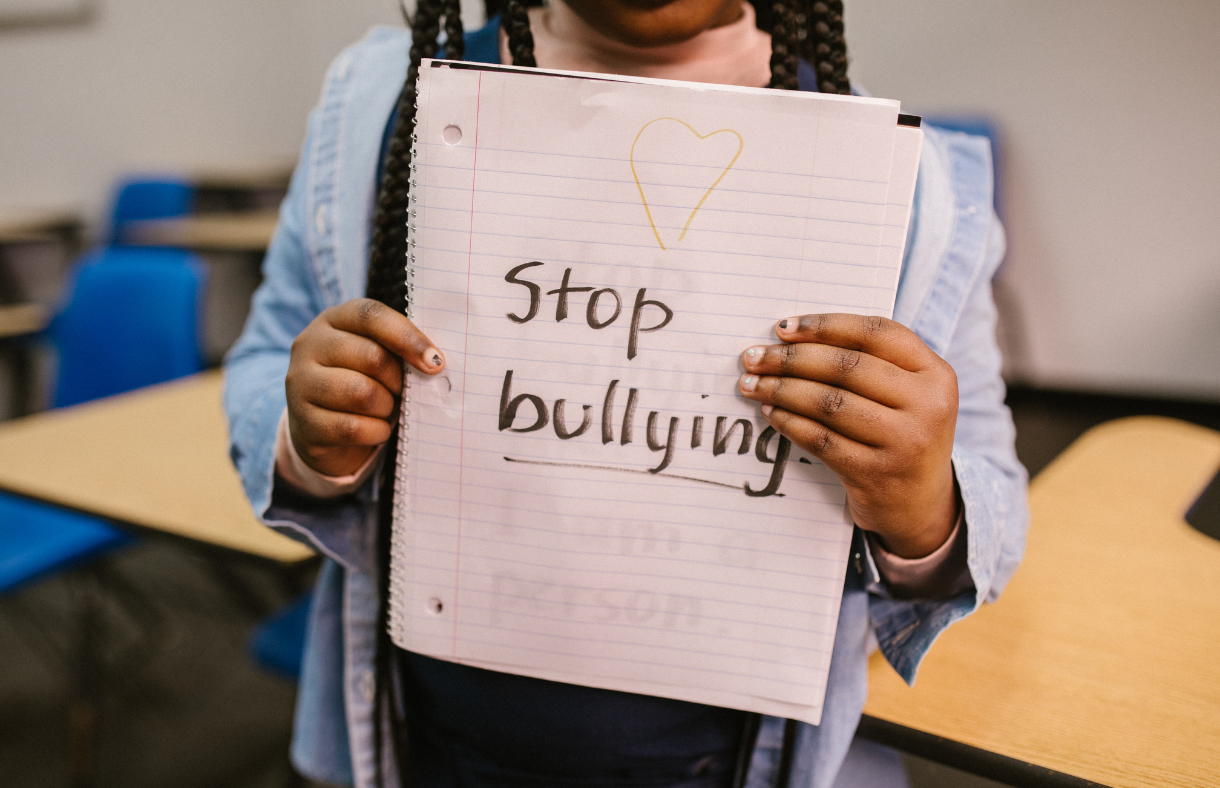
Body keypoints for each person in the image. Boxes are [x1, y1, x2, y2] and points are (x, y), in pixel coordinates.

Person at [224, 1, 1028, 786]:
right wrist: (310, 440)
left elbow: (991, 486)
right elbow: (266, 359)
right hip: (428, 729)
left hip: (736, 754)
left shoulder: (912, 187)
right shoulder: (381, 106)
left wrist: (924, 507)